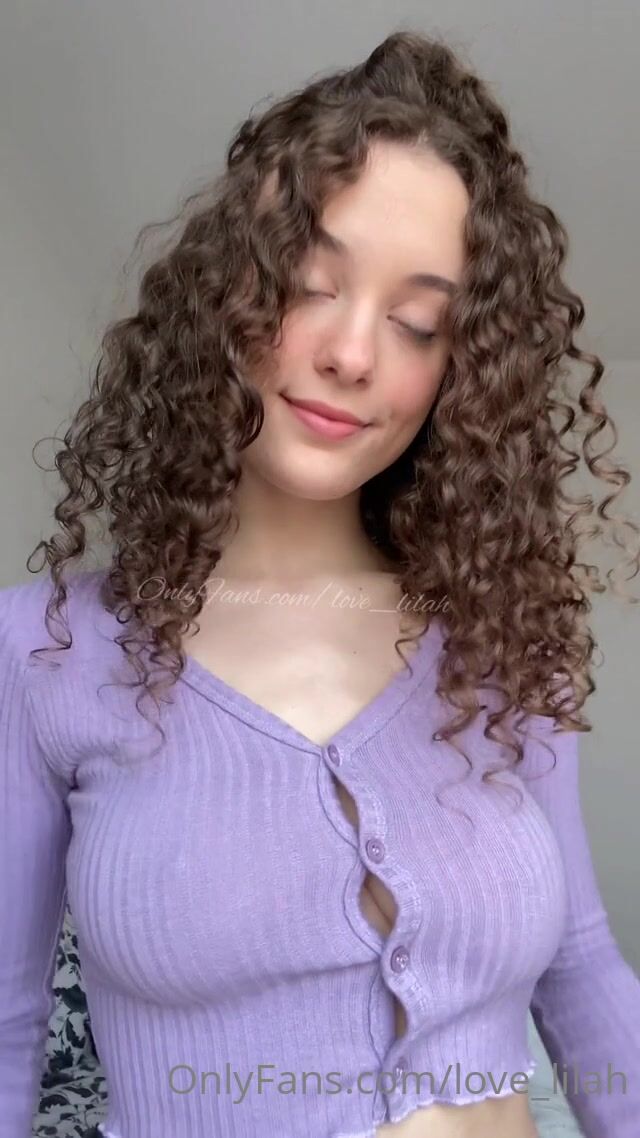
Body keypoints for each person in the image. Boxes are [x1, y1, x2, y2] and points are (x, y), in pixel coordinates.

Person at [1, 26, 638, 1138]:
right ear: (224, 302)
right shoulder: (45, 654)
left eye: (418, 323)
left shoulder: (498, 643)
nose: (352, 354)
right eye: (309, 285)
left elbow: (584, 977)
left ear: (459, 372)